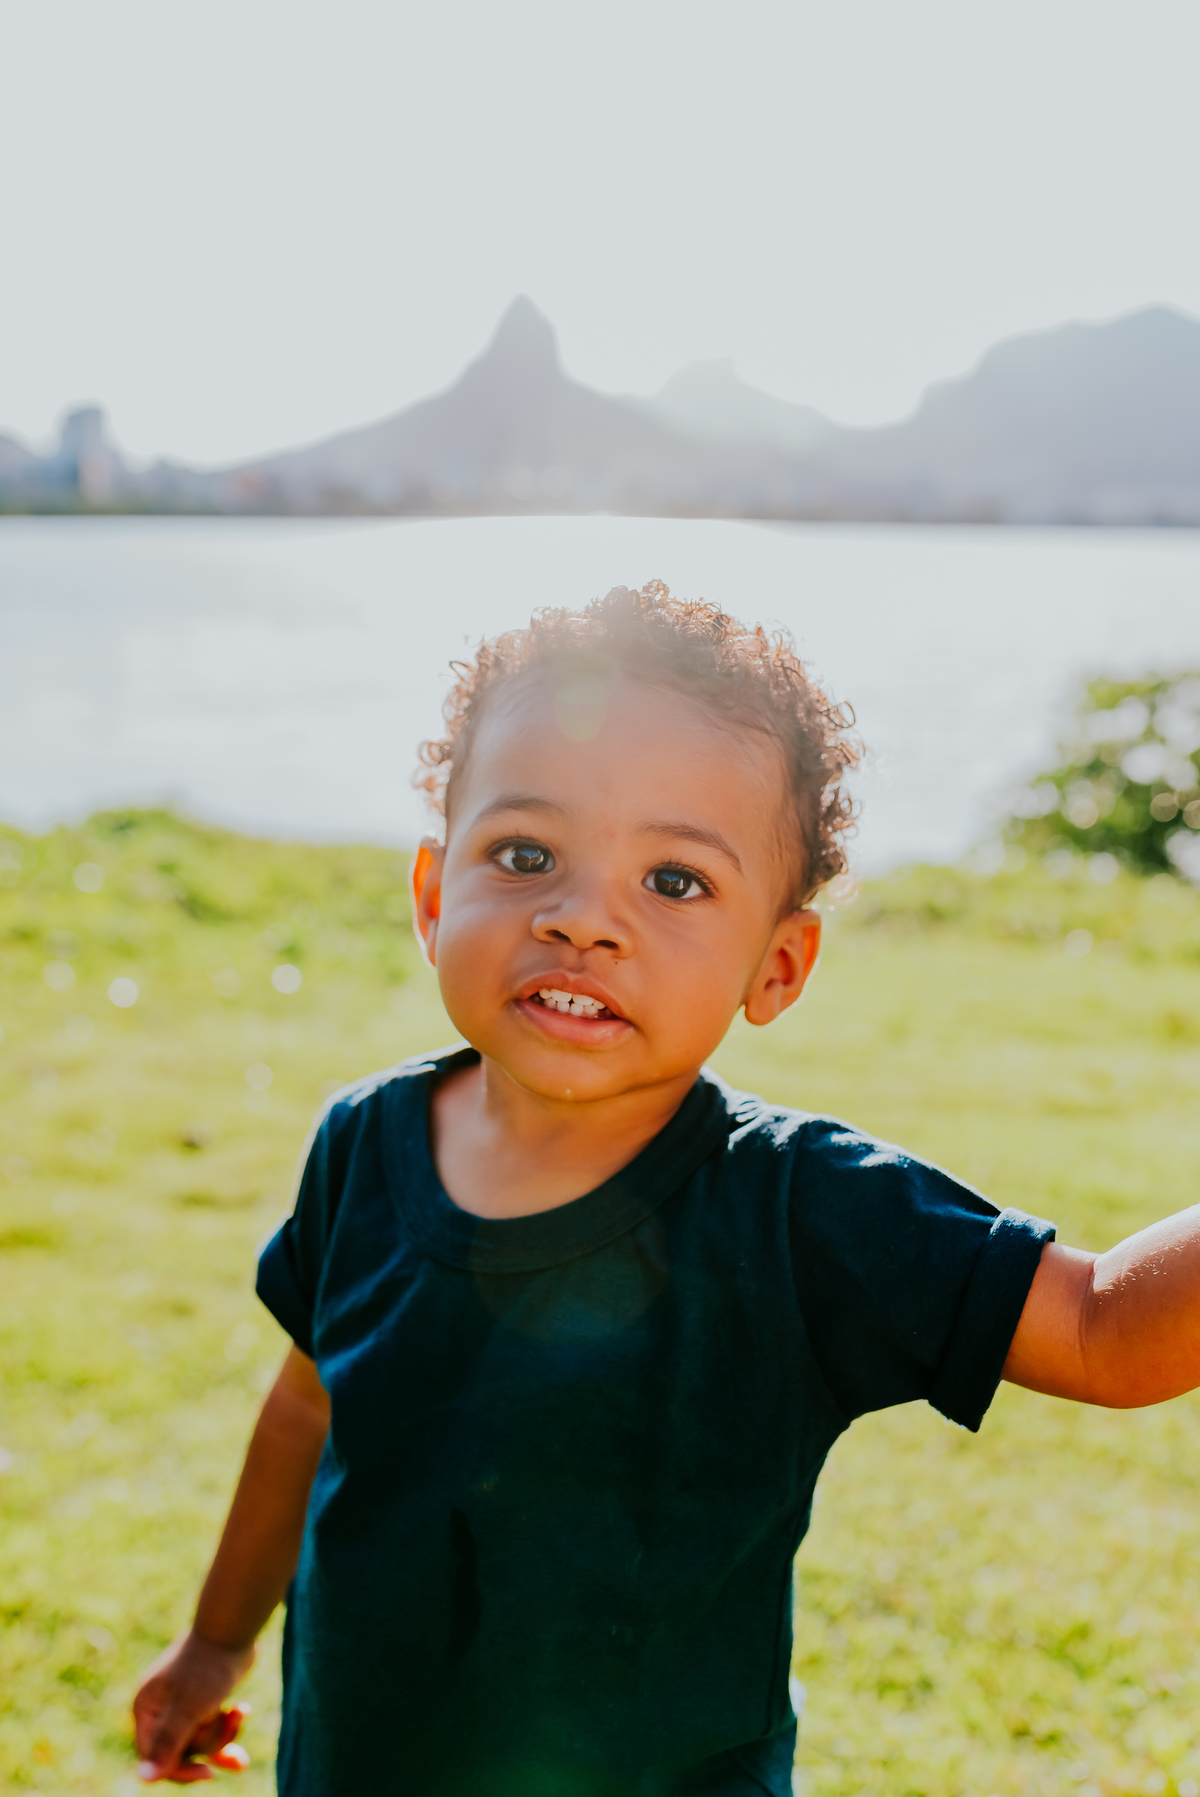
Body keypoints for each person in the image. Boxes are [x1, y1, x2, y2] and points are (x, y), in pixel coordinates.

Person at [132, 583, 1200, 1795]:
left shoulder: (805, 1212)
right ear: (434, 899)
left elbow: (1109, 1330)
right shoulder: (366, 1145)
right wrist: (219, 1639)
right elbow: (305, 1410)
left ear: (779, 964)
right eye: (525, 855)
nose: (582, 918)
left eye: (676, 881)